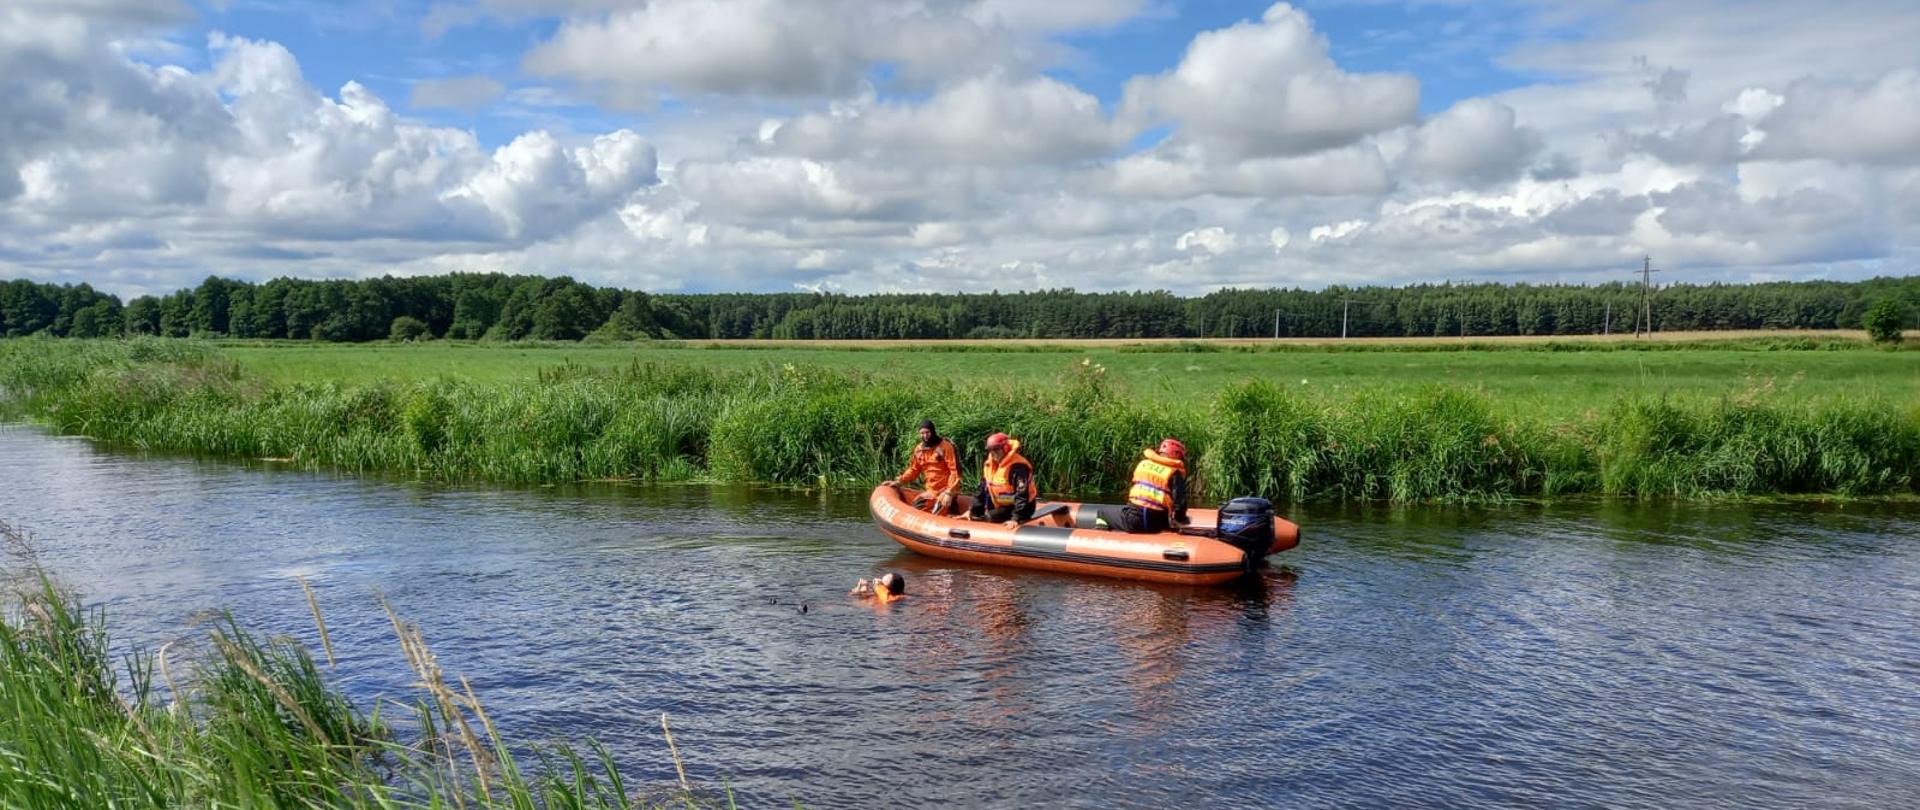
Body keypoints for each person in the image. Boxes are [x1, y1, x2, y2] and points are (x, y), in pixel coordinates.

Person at [1101, 438, 1189, 534]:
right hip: (1158, 524)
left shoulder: (1143, 464)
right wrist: (1180, 520)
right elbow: (1179, 503)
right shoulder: (1175, 473)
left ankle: (1101, 535)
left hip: (1134, 520)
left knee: (1102, 513)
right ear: (1177, 456)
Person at [882, 419, 961, 515]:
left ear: (933, 431)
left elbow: (954, 471)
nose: (925, 436)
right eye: (922, 433)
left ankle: (952, 509)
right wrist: (899, 481)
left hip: (945, 490)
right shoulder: (919, 450)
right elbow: (913, 470)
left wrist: (950, 492)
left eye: (927, 432)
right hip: (932, 491)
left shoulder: (945, 447)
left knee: (938, 512)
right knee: (917, 507)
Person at [967, 432, 1034, 527]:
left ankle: (1016, 517)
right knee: (978, 510)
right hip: (1004, 501)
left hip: (1023, 505)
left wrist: (1016, 518)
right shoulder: (990, 465)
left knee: (990, 517)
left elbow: (1022, 494)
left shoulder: (1018, 467)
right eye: (991, 450)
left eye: (996, 450)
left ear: (1005, 448)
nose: (993, 453)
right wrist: (972, 511)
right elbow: (981, 489)